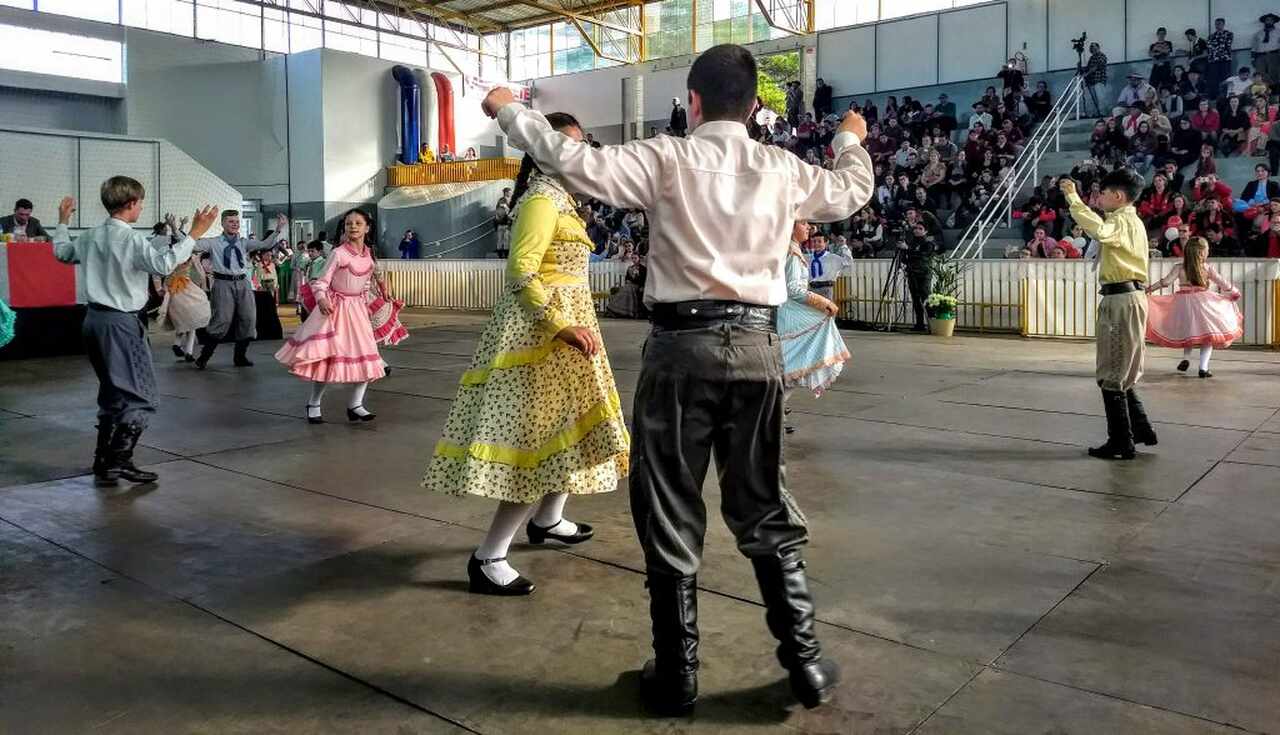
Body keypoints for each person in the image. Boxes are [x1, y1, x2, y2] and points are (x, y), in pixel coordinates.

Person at [483, 43, 873, 714]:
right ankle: (805, 661)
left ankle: (677, 674)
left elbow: (573, 161)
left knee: (669, 505)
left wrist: (508, 111)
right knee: (763, 502)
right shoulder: (781, 166)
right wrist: (848, 135)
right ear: (754, 107)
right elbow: (850, 189)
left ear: (691, 102)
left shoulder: (664, 157)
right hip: (756, 349)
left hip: (680, 353)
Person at [422, 111, 629, 598]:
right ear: (543, 149)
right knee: (536, 447)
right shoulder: (540, 199)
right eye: (569, 145)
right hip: (541, 340)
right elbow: (521, 273)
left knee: (575, 433)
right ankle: (489, 555)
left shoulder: (562, 199)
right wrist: (560, 325)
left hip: (568, 335)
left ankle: (549, 520)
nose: (580, 154)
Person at [52, 179, 218, 484]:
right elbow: (164, 263)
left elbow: (62, 252)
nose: (141, 207)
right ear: (130, 204)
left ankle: (103, 461)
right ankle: (119, 460)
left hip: (93, 321)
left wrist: (63, 222)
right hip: (120, 322)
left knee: (112, 392)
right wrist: (194, 233)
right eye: (141, 202)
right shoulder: (131, 239)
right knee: (141, 395)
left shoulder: (91, 236)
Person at [1060, 169, 1157, 461]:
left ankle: (1121, 441)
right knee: (1123, 369)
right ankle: (1139, 429)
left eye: (1102, 193)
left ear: (1117, 195)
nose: (1099, 198)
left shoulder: (1120, 220)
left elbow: (1098, 230)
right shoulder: (1132, 221)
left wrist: (1073, 198)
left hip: (1121, 299)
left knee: (1111, 371)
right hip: (1129, 297)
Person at [274, 208, 386, 423]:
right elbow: (321, 282)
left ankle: (356, 404)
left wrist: (368, 302)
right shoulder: (339, 253)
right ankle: (314, 404)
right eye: (348, 223)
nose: (353, 226)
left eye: (358, 223)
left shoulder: (368, 254)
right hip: (336, 310)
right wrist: (322, 299)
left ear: (367, 228)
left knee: (367, 355)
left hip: (357, 311)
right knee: (326, 358)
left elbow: (366, 283)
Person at [191, 210, 288, 369]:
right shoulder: (213, 242)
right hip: (223, 283)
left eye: (236, 221)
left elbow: (265, 244)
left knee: (248, 318)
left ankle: (240, 356)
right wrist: (180, 231)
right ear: (222, 223)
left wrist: (278, 229)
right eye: (230, 221)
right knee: (222, 320)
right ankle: (204, 357)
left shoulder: (244, 243)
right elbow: (193, 245)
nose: (235, 224)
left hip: (243, 283)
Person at [779, 221, 849, 427]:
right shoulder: (791, 253)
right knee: (791, 368)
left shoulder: (793, 250)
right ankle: (773, 413)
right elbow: (793, 289)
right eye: (803, 223)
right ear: (791, 227)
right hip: (790, 316)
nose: (808, 227)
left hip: (791, 311)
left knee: (793, 369)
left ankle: (775, 412)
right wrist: (822, 302)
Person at [1145, 236, 1242, 378]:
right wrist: (1235, 292)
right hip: (1203, 303)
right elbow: (1223, 283)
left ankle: (1186, 358)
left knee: (1188, 331)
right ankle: (1203, 368)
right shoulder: (1207, 268)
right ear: (1202, 252)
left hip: (1182, 303)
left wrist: (1148, 290)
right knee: (1208, 336)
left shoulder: (1179, 267)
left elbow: (1165, 282)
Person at [161, 252, 211, 362]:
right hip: (188, 288)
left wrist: (164, 288)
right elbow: (201, 273)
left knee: (183, 321)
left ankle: (177, 344)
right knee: (191, 322)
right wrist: (204, 287)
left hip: (174, 290)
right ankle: (188, 352)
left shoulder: (172, 254)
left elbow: (166, 274)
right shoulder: (192, 257)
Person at [1206, 18, 1235, 98]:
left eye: (1219, 23)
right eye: (1216, 24)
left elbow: (1226, 45)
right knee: (1214, 80)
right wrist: (1218, 46)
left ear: (1223, 24)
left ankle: (1226, 95)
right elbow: (1209, 46)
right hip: (1213, 61)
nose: (1218, 25)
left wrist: (1216, 47)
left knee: (1226, 78)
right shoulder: (1211, 36)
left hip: (1225, 60)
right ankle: (1215, 97)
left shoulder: (1229, 34)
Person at [1084, 43, 1109, 118]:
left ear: (1098, 47)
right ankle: (1097, 113)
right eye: (1091, 48)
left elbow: (1096, 66)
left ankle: (1103, 113)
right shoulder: (1091, 58)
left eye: (1094, 47)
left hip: (1099, 80)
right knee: (1094, 99)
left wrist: (1087, 73)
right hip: (1091, 81)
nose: (1092, 49)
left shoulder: (1101, 56)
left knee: (1100, 98)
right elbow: (1088, 67)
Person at [495, 187, 513, 258]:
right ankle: (505, 256)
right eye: (510, 192)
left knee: (500, 240)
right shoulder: (505, 201)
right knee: (506, 240)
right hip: (506, 224)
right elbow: (510, 211)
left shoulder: (500, 200)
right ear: (506, 192)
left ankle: (500, 255)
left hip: (500, 224)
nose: (511, 193)